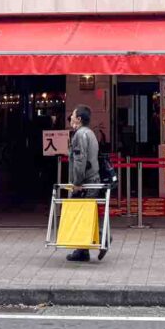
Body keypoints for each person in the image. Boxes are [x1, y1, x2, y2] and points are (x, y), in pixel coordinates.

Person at [66, 104, 100, 262]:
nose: (70, 116)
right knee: (85, 214)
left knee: (78, 214)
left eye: (73, 114)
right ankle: (82, 250)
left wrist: (77, 182)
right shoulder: (91, 133)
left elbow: (80, 160)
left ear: (78, 119)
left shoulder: (79, 135)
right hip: (93, 177)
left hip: (85, 181)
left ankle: (99, 238)